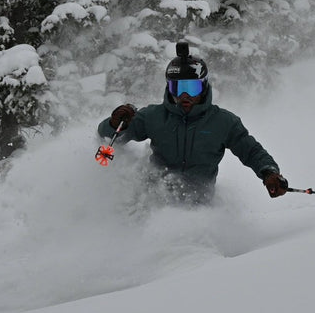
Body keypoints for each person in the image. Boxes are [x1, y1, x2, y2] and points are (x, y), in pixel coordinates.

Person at [98, 42, 288, 205]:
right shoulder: (153, 116)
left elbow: (251, 151)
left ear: (204, 87)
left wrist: (268, 172)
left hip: (198, 204)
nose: (184, 96)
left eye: (192, 87)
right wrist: (114, 123)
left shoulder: (222, 122)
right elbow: (109, 138)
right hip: (152, 198)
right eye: (177, 87)